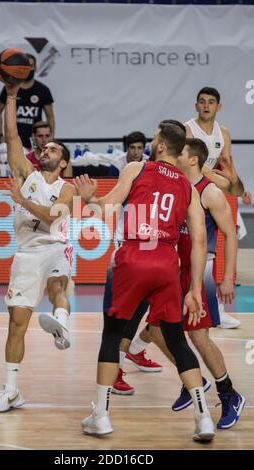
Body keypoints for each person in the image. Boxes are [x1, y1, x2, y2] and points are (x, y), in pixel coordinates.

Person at [75, 123, 215, 442]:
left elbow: (108, 206)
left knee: (112, 334)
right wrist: (194, 289)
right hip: (167, 262)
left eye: (154, 138)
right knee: (178, 340)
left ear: (162, 146)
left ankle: (101, 416)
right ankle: (204, 417)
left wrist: (89, 198)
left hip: (135, 255)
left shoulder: (137, 167)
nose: (150, 143)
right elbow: (200, 238)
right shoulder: (188, 186)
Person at [0, 82, 75, 413]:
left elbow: (56, 218)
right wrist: (11, 96)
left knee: (58, 285)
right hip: (26, 254)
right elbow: (12, 137)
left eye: (53, 150)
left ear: (64, 162)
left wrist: (23, 201)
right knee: (16, 324)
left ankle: (61, 322)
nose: (45, 151)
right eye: (43, 148)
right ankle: (11, 391)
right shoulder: (28, 174)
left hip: (55, 247)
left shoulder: (67, 188)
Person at [150, 138, 245, 429]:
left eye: (181, 154)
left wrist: (227, 278)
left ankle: (229, 395)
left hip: (199, 270)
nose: (175, 156)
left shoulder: (210, 192)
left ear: (192, 159)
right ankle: (194, 378)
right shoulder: (176, 185)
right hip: (172, 269)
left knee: (199, 337)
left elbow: (230, 233)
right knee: (156, 332)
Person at [111, 122, 187, 395]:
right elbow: (112, 202)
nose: (148, 145)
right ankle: (116, 368)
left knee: (156, 316)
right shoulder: (138, 169)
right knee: (128, 317)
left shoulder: (175, 177)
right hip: (132, 246)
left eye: (153, 139)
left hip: (160, 251)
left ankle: (135, 350)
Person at [185, 86, 247, 328]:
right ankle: (205, 304)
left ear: (219, 106)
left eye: (211, 102)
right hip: (192, 193)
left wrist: (235, 185)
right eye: (202, 101)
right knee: (197, 251)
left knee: (215, 249)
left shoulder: (224, 133)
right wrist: (222, 181)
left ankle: (216, 308)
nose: (206, 105)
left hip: (211, 192)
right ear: (196, 105)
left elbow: (227, 171)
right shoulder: (188, 129)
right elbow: (196, 170)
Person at [0, 53, 55, 149]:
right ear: (21, 67)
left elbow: (50, 116)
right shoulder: (11, 88)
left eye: (31, 66)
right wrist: (0, 136)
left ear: (35, 67)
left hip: (35, 143)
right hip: (13, 141)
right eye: (26, 66)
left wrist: (51, 138)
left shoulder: (43, 90)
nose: (29, 69)